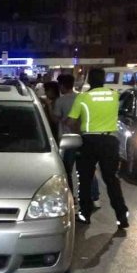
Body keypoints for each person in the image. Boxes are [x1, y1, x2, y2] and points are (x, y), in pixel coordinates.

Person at [67, 67, 130, 228]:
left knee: (85, 179)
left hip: (88, 141)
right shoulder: (114, 95)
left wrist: (80, 131)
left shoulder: (83, 98)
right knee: (112, 180)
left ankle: (85, 214)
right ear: (104, 80)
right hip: (110, 141)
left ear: (89, 81)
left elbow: (71, 122)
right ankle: (122, 216)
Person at [51, 74, 101, 208]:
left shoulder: (61, 101)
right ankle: (95, 197)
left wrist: (49, 106)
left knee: (67, 170)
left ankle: (71, 198)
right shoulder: (83, 97)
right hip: (85, 137)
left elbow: (55, 119)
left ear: (61, 85)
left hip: (68, 140)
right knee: (88, 168)